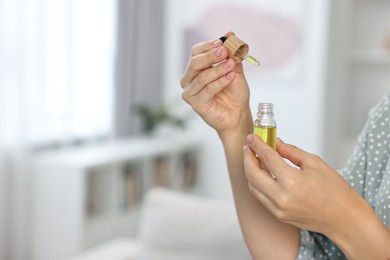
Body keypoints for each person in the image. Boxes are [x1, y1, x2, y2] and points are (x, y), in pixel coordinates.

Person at [180, 32, 390, 259]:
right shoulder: (385, 115)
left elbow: (346, 227)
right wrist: (236, 128)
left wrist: (344, 220)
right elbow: (301, 254)